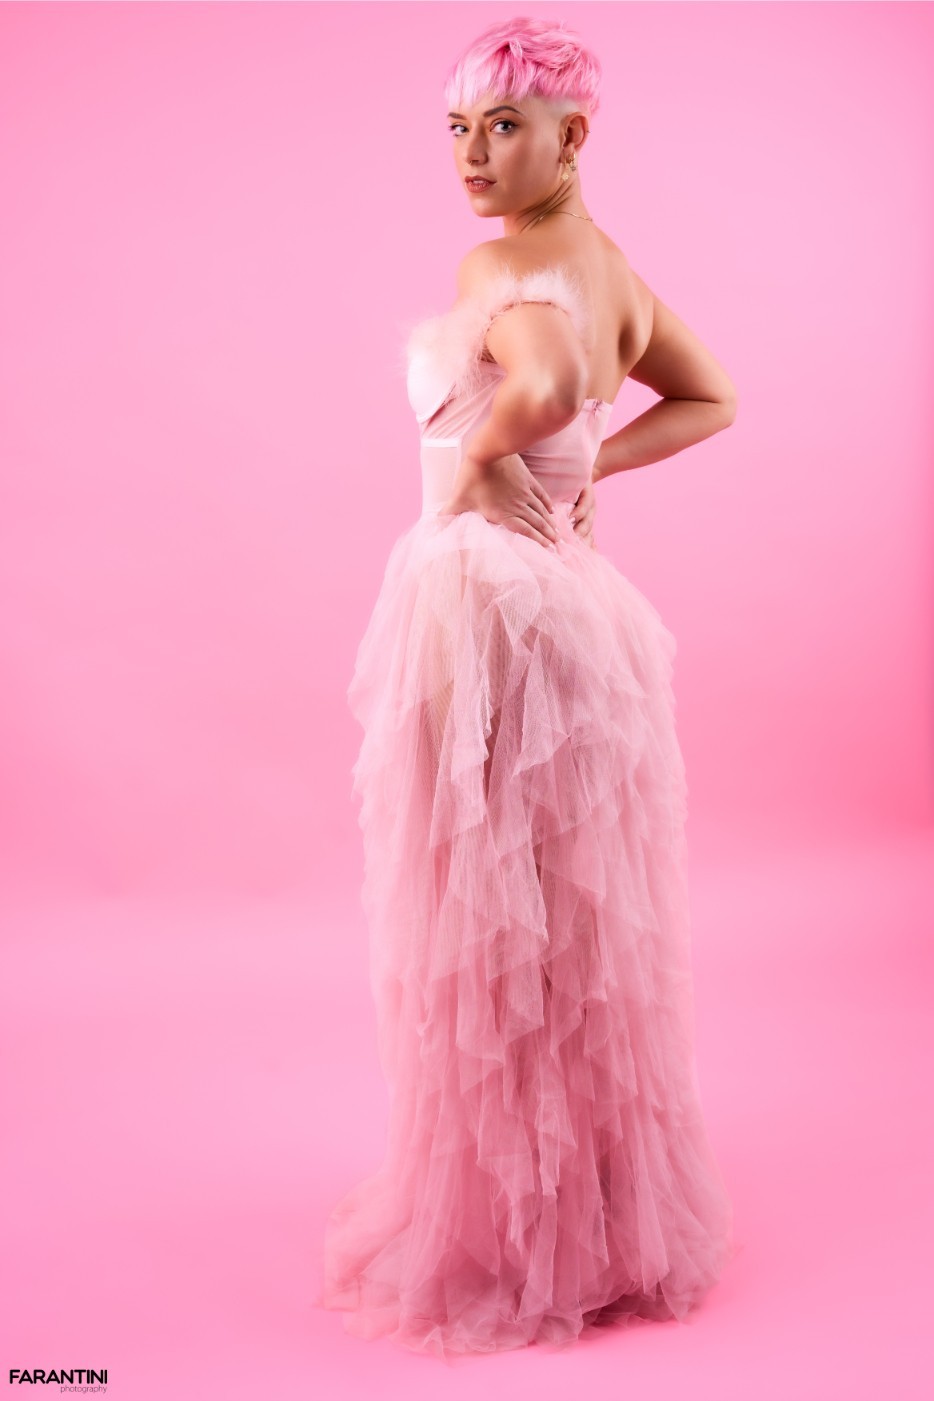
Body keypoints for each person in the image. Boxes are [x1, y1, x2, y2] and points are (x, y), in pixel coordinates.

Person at [315, 16, 740, 1358]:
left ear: (572, 136)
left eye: (503, 126)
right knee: (566, 931)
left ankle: (513, 1231)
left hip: (487, 609)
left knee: (489, 923)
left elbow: (548, 379)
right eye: (458, 127)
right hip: (574, 612)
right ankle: (592, 1221)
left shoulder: (502, 263)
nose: (473, 154)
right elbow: (709, 397)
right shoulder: (614, 273)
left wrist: (487, 458)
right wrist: (588, 466)